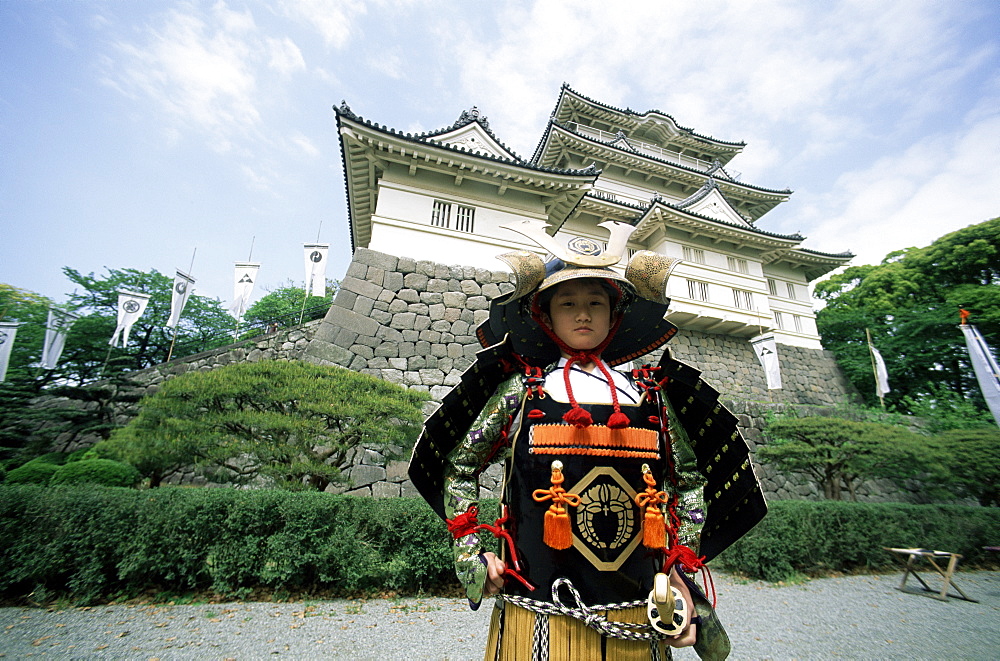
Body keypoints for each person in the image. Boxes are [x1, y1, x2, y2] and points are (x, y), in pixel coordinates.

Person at [409, 224, 767, 660]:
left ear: (614, 315)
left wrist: (680, 569)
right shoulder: (522, 390)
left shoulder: (652, 393)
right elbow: (460, 468)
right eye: (568, 303)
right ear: (546, 315)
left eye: (596, 303)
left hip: (638, 610)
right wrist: (470, 553)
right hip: (537, 613)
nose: (583, 314)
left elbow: (689, 484)